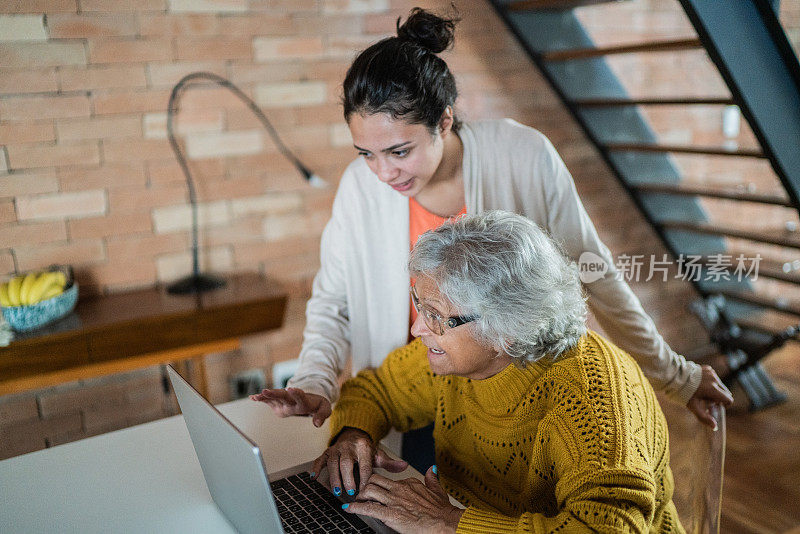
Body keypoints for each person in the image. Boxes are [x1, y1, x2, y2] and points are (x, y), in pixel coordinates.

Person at [251, 8, 731, 441]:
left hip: (519, 410)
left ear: (443, 121)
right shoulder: (360, 188)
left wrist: (674, 374)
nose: (383, 172)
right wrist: (314, 380)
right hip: (408, 402)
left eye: (399, 151)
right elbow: (333, 301)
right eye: (366, 154)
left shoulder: (523, 155)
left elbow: (592, 272)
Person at [309, 211, 684, 533]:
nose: (418, 329)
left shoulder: (591, 397)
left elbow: (604, 528)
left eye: (436, 316)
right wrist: (354, 434)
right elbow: (377, 390)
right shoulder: (451, 358)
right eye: (419, 304)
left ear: (507, 328)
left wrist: (450, 523)